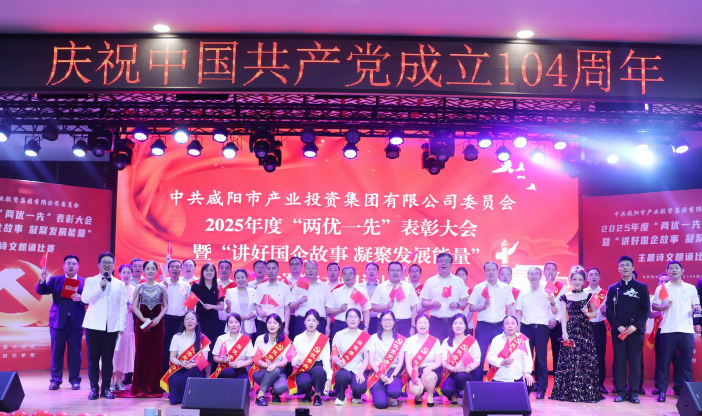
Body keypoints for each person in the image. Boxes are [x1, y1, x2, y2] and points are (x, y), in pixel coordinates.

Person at [549, 266, 603, 403]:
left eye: (580, 279)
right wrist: (564, 332)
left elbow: (594, 314)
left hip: (585, 332)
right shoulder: (565, 296)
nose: (577, 282)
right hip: (571, 331)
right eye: (574, 279)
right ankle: (569, 391)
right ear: (571, 280)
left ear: (584, 281)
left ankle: (585, 391)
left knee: (585, 362)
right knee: (570, 361)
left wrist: (587, 312)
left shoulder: (590, 295)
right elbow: (562, 315)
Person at [36, 254, 86, 391]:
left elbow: (90, 299)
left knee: (75, 354)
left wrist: (81, 298)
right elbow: (41, 291)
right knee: (56, 353)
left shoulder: (84, 282)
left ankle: (75, 380)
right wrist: (43, 279)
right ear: (63, 266)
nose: (71, 266)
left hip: (76, 323)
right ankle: (55, 381)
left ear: (78, 266)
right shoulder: (55, 280)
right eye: (68, 263)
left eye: (74, 264)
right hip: (58, 322)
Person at [652, 261, 700, 402]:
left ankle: (687, 394)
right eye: (671, 268)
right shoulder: (662, 288)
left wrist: (697, 312)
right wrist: (664, 307)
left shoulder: (691, 288)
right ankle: (662, 391)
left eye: (676, 268)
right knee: (664, 363)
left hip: (686, 330)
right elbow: (654, 306)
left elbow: (696, 307)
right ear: (667, 271)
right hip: (668, 330)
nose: (674, 270)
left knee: (686, 364)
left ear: (682, 271)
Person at [81, 252, 127, 400]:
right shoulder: (91, 281)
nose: (107, 265)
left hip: (111, 327)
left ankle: (106, 388)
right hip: (93, 326)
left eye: (109, 262)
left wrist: (121, 326)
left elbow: (123, 306)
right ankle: (94, 389)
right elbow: (85, 299)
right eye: (104, 262)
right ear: (98, 264)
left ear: (114, 265)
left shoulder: (119, 284)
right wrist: (99, 286)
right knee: (93, 360)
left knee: (108, 360)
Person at [605, 255, 650, 404]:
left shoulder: (641, 287)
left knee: (635, 362)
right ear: (618, 268)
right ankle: (622, 392)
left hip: (635, 331)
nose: (625, 268)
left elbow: (645, 309)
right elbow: (609, 310)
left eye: (627, 265)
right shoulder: (613, 288)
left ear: (633, 268)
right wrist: (618, 326)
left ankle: (634, 393)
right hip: (619, 331)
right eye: (622, 265)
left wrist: (635, 326)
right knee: (620, 362)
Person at [515, 266, 557, 399]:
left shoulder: (547, 292)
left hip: (541, 329)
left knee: (541, 359)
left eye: (536, 274)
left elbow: (555, 311)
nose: (533, 276)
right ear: (527, 276)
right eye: (531, 274)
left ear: (541, 276)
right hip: (526, 329)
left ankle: (542, 389)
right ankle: (524, 387)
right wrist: (518, 331)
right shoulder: (522, 293)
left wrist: (552, 302)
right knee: (525, 358)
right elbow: (519, 313)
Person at [468, 261, 515, 380]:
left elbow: (509, 307)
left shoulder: (505, 287)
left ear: (497, 271)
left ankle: (495, 383)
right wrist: (482, 306)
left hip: (499, 327)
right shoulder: (479, 288)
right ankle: (477, 385)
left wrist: (508, 325)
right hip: (483, 327)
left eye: (493, 270)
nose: (491, 272)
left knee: (498, 357)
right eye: (488, 270)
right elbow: (471, 307)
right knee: (480, 356)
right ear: (484, 272)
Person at [129, 260, 168, 397]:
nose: (150, 271)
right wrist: (143, 318)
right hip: (142, 325)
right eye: (148, 269)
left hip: (158, 325)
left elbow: (166, 306)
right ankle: (140, 387)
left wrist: (158, 318)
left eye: (153, 269)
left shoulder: (162, 287)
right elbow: (135, 306)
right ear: (144, 271)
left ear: (157, 271)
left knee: (156, 355)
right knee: (141, 354)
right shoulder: (139, 287)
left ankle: (155, 388)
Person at [163, 310, 211, 405]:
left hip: (195, 368)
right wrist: (180, 363)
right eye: (187, 319)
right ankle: (179, 397)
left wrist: (192, 365)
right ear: (184, 322)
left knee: (195, 372)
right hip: (179, 367)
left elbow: (204, 359)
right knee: (173, 379)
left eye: (192, 319)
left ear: (197, 322)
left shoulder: (202, 338)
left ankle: (193, 398)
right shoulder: (176, 337)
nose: (190, 321)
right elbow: (172, 357)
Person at [420, 253, 469, 340]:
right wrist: (432, 304)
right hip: (436, 322)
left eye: (446, 261)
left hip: (454, 321)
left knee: (454, 346)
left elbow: (464, 302)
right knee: (436, 346)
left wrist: (457, 305)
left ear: (451, 264)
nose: (443, 263)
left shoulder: (458, 281)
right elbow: (424, 303)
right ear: (437, 264)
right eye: (441, 261)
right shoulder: (430, 281)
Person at [289, 309, 332, 405]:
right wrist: (296, 362)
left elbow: (326, 360)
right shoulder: (298, 338)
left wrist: (329, 379)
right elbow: (293, 357)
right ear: (304, 322)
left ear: (318, 323)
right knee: (303, 382)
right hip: (303, 367)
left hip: (318, 366)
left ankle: (317, 395)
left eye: (314, 320)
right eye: (308, 320)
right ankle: (308, 393)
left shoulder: (323, 339)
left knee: (319, 371)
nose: (311, 323)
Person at [367, 311, 407, 409]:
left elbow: (400, 362)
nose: (387, 322)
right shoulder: (374, 338)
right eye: (384, 320)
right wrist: (381, 374)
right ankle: (382, 394)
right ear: (380, 322)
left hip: (393, 372)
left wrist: (392, 377)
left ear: (394, 322)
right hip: (377, 373)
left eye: (389, 320)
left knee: (394, 392)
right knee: (381, 404)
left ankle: (391, 395)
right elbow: (371, 360)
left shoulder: (401, 339)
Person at [331, 308, 371, 405]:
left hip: (358, 369)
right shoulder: (339, 335)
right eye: (350, 317)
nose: (353, 319)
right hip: (343, 368)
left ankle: (356, 395)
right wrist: (338, 361)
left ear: (360, 320)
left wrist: (361, 372)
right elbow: (334, 356)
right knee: (341, 377)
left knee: (360, 387)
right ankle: (341, 397)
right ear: (346, 319)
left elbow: (366, 358)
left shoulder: (365, 336)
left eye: (355, 317)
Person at [250, 314, 292, 406]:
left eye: (275, 323)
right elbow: (256, 358)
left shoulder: (286, 340)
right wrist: (266, 365)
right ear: (266, 324)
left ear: (280, 325)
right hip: (260, 371)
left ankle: (274, 392)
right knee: (274, 370)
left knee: (282, 386)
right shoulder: (260, 339)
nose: (272, 325)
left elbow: (285, 361)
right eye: (269, 323)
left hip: (278, 371)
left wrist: (274, 365)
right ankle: (260, 396)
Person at [651, 273, 682, 396]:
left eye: (665, 281)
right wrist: (662, 308)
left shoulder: (674, 295)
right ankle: (659, 387)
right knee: (661, 360)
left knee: (677, 360)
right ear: (658, 283)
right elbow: (650, 314)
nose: (663, 283)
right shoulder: (654, 298)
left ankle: (678, 387)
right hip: (660, 331)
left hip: (675, 330)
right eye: (661, 281)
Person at [191, 262, 225, 375]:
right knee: (200, 347)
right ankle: (199, 375)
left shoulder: (218, 287)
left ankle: (208, 376)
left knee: (210, 349)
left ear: (215, 273)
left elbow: (221, 307)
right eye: (206, 270)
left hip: (213, 322)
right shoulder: (196, 286)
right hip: (200, 321)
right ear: (202, 272)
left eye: (211, 270)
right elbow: (190, 305)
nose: (209, 272)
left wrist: (212, 306)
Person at [439, 314, 480, 404]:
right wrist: (452, 368)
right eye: (455, 323)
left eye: (461, 323)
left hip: (467, 374)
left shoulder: (472, 341)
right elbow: (443, 361)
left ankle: (466, 398)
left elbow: (477, 361)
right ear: (452, 326)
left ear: (465, 326)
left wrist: (468, 369)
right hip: (451, 373)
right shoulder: (446, 341)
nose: (458, 326)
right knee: (446, 390)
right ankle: (453, 394)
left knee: (461, 376)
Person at [486, 316, 534, 391]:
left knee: (530, 383)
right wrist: (502, 362)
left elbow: (527, 358)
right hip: (500, 377)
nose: (510, 326)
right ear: (503, 327)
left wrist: (527, 373)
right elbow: (490, 357)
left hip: (517, 377)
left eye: (513, 323)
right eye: (507, 323)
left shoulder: (522, 339)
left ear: (517, 326)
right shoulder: (496, 339)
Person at [371, 261, 419, 337]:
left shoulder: (409, 287)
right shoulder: (381, 287)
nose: (395, 272)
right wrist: (386, 306)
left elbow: (414, 309)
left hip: (405, 324)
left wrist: (413, 327)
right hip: (385, 325)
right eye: (392, 270)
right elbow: (374, 307)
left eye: (398, 270)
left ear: (402, 272)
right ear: (388, 273)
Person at [404, 314, 442, 407]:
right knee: (416, 389)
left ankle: (430, 395)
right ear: (416, 325)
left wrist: (430, 367)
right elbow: (408, 364)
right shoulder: (409, 341)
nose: (423, 325)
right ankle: (418, 395)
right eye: (420, 323)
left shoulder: (435, 341)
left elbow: (438, 362)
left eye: (425, 323)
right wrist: (414, 377)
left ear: (429, 325)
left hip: (431, 371)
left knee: (428, 376)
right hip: (415, 371)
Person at [326, 266, 372, 341]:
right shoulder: (336, 292)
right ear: (342, 276)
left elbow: (367, 310)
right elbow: (328, 310)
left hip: (357, 327)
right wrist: (340, 309)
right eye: (345, 274)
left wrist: (366, 328)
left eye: (350, 274)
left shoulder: (361, 291)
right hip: (339, 326)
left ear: (355, 276)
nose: (348, 276)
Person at [162, 259, 191, 373]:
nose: (175, 269)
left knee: (180, 347)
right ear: (168, 269)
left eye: (178, 267)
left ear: (181, 269)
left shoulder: (186, 285)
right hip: (166, 319)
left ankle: (178, 373)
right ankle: (164, 374)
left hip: (181, 321)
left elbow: (189, 306)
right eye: (172, 266)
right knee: (165, 348)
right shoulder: (163, 284)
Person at [289, 261, 330, 338]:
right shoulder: (297, 285)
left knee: (319, 345)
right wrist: (299, 302)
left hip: (320, 322)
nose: (310, 270)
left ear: (318, 270)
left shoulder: (324, 286)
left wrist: (328, 325)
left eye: (313, 268)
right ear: (304, 270)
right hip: (302, 322)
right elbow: (291, 306)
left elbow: (328, 308)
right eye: (308, 268)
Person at [585, 267, 609, 394]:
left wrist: (606, 312)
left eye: (596, 274)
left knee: (600, 356)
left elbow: (609, 312)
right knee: (586, 356)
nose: (593, 277)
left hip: (599, 326)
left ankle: (600, 384)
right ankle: (586, 383)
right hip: (586, 327)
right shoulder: (583, 292)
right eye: (591, 275)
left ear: (599, 277)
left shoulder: (605, 293)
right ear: (587, 278)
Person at [112, 264, 136, 391]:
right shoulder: (114, 287)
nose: (126, 275)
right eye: (124, 272)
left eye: (129, 272)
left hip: (127, 322)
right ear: (119, 273)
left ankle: (119, 381)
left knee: (122, 351)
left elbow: (138, 308)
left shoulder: (134, 289)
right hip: (114, 321)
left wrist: (133, 308)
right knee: (112, 351)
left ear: (132, 274)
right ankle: (109, 380)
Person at [254, 260, 292, 339]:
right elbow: (257, 305)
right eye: (268, 269)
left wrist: (286, 327)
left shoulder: (285, 287)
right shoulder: (260, 287)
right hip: (263, 322)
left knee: (279, 345)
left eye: (273, 268)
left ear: (278, 271)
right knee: (261, 344)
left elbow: (287, 309)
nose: (271, 271)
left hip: (279, 323)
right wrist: (260, 312)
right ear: (266, 271)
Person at [211, 313, 253, 379]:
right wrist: (223, 360)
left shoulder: (246, 340)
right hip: (225, 368)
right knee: (228, 373)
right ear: (227, 324)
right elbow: (215, 357)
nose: (233, 325)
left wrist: (238, 365)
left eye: (236, 322)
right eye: (231, 322)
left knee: (244, 381)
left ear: (240, 324)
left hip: (240, 368)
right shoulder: (221, 338)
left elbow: (250, 360)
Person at [224, 269, 257, 340]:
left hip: (248, 325)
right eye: (238, 278)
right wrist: (228, 306)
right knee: (232, 345)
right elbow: (227, 311)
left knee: (246, 345)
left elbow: (256, 309)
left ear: (247, 278)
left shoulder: (254, 292)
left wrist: (248, 316)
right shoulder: (230, 292)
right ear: (235, 280)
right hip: (233, 325)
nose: (240, 280)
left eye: (242, 277)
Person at [544, 262, 564, 374]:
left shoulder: (563, 288)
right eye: (548, 269)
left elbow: (564, 308)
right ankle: (540, 380)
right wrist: (545, 320)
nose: (550, 272)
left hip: (557, 324)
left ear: (556, 272)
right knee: (541, 353)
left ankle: (558, 379)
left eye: (553, 269)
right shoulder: (540, 287)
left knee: (557, 352)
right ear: (544, 272)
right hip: (543, 324)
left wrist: (556, 320)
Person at [360, 262, 382, 335]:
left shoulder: (383, 287)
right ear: (365, 272)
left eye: (374, 269)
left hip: (377, 320)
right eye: (369, 269)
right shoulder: (359, 287)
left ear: (378, 273)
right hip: (362, 320)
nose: (371, 271)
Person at [455, 266, 475, 335]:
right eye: (459, 275)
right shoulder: (451, 290)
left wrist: (465, 323)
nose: (461, 277)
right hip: (454, 324)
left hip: (468, 324)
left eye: (463, 275)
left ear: (466, 277)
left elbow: (471, 310)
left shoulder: (471, 291)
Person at [217, 260, 236, 329]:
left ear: (231, 271)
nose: (224, 270)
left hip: (231, 320)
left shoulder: (235, 285)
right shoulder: (213, 284)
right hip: (215, 319)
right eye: (221, 268)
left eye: (227, 268)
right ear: (218, 270)